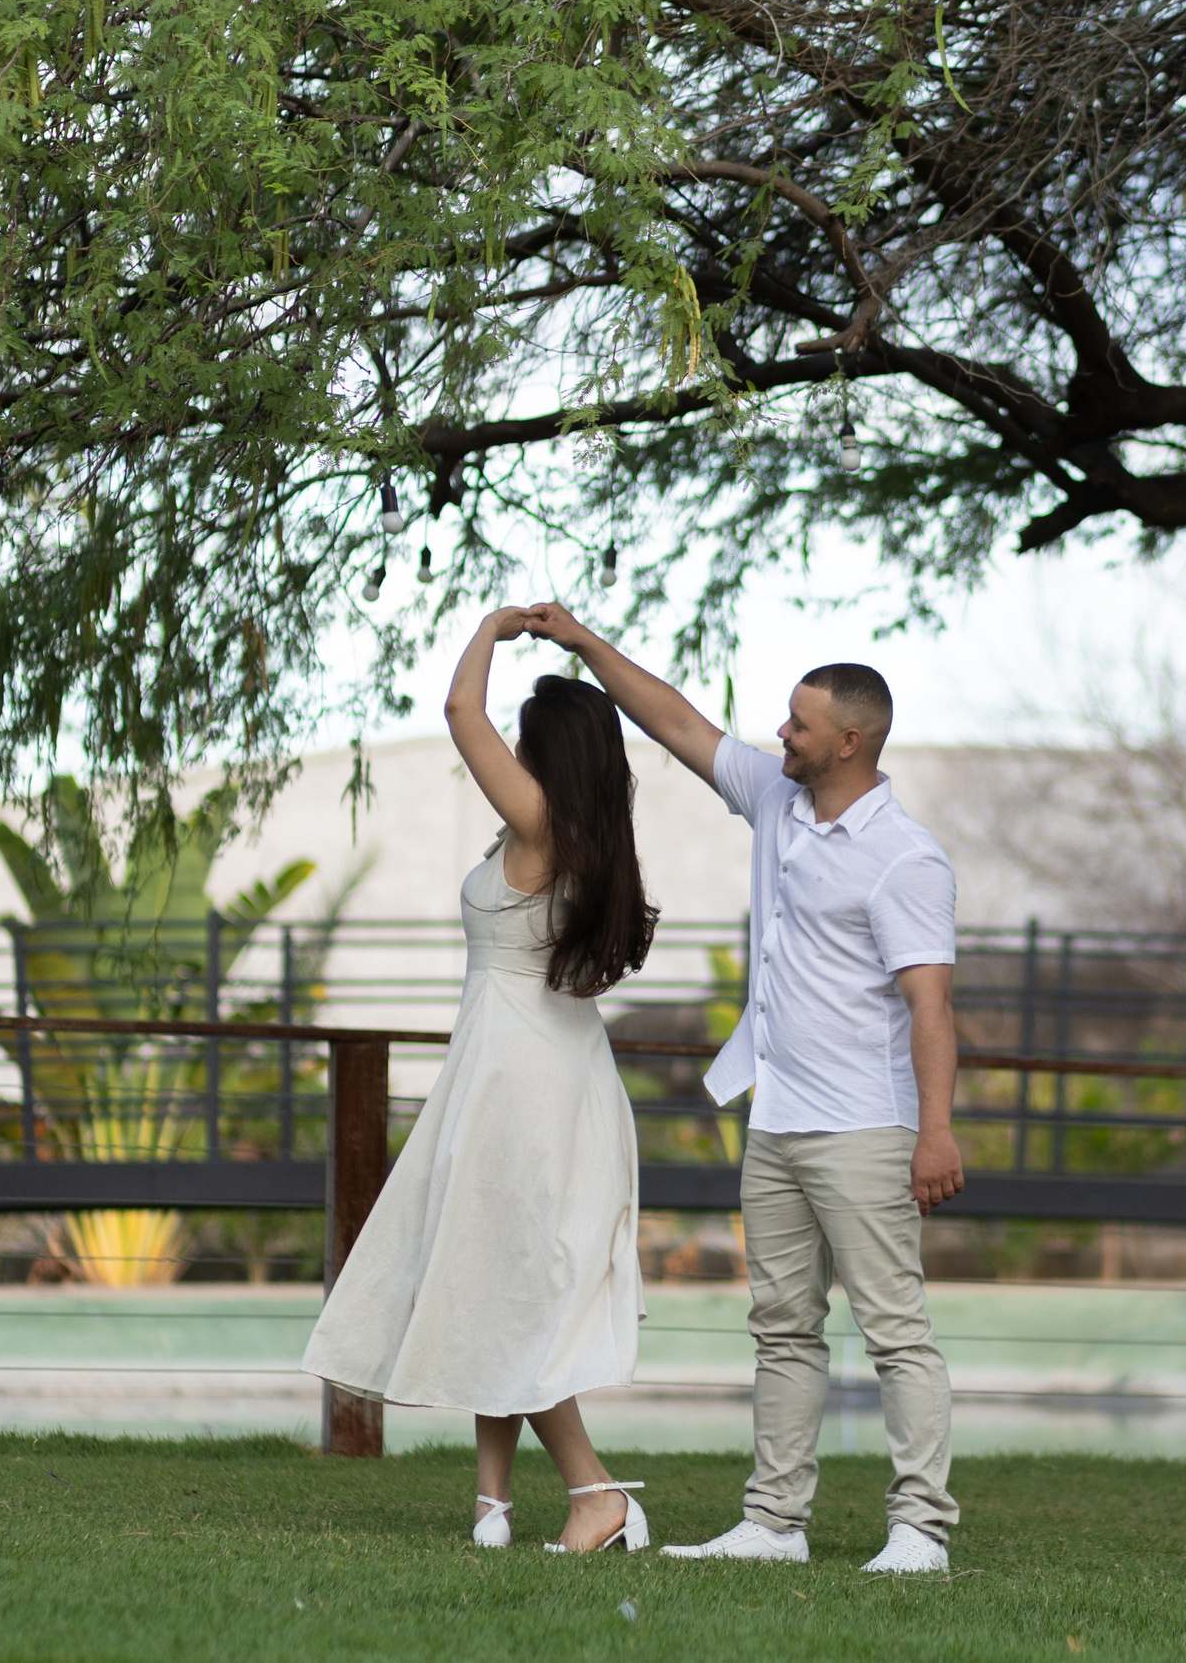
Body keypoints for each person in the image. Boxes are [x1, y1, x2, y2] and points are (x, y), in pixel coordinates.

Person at [525, 602, 964, 1576]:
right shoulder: (776, 798)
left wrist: (936, 1133)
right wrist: (587, 647)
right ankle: (773, 1523)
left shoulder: (905, 858)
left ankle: (922, 1531)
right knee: (781, 1328)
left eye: (800, 725)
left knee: (895, 1331)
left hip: (866, 1127)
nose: (782, 734)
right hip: (779, 1119)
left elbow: (931, 1008)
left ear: (847, 742)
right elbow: (676, 722)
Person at [302, 606, 660, 1555]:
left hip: (518, 1081)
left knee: (507, 1286)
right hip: (543, 1068)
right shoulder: (593, 836)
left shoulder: (539, 819)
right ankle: (491, 1503)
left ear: (544, 756)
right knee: (490, 1273)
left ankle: (596, 1492)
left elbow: (462, 709)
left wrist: (496, 629)